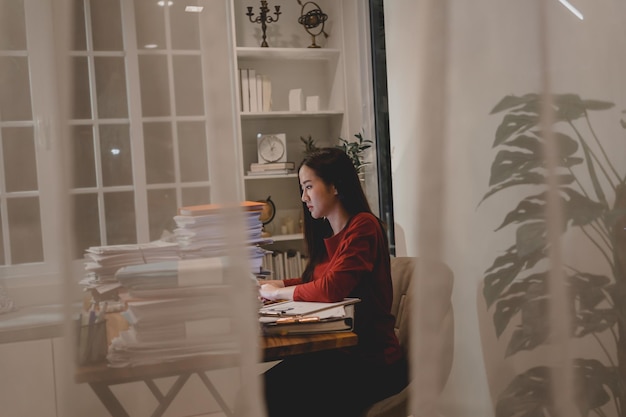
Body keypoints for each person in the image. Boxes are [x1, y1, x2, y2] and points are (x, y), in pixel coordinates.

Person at [259, 147, 408, 417]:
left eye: (308, 187)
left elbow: (331, 288)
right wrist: (280, 284)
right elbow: (318, 279)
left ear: (335, 186)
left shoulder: (364, 226)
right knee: (261, 390)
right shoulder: (331, 233)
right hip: (341, 356)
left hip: (372, 363)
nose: (303, 197)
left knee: (273, 396)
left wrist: (277, 294)